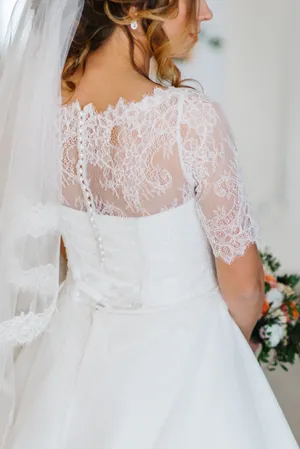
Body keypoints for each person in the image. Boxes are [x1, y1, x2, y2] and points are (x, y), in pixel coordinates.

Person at [0, 0, 298, 448]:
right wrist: (227, 355)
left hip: (70, 362)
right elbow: (244, 288)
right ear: (138, 9)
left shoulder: (42, 112)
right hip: (184, 363)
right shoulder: (187, 119)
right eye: (195, 1)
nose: (208, 13)